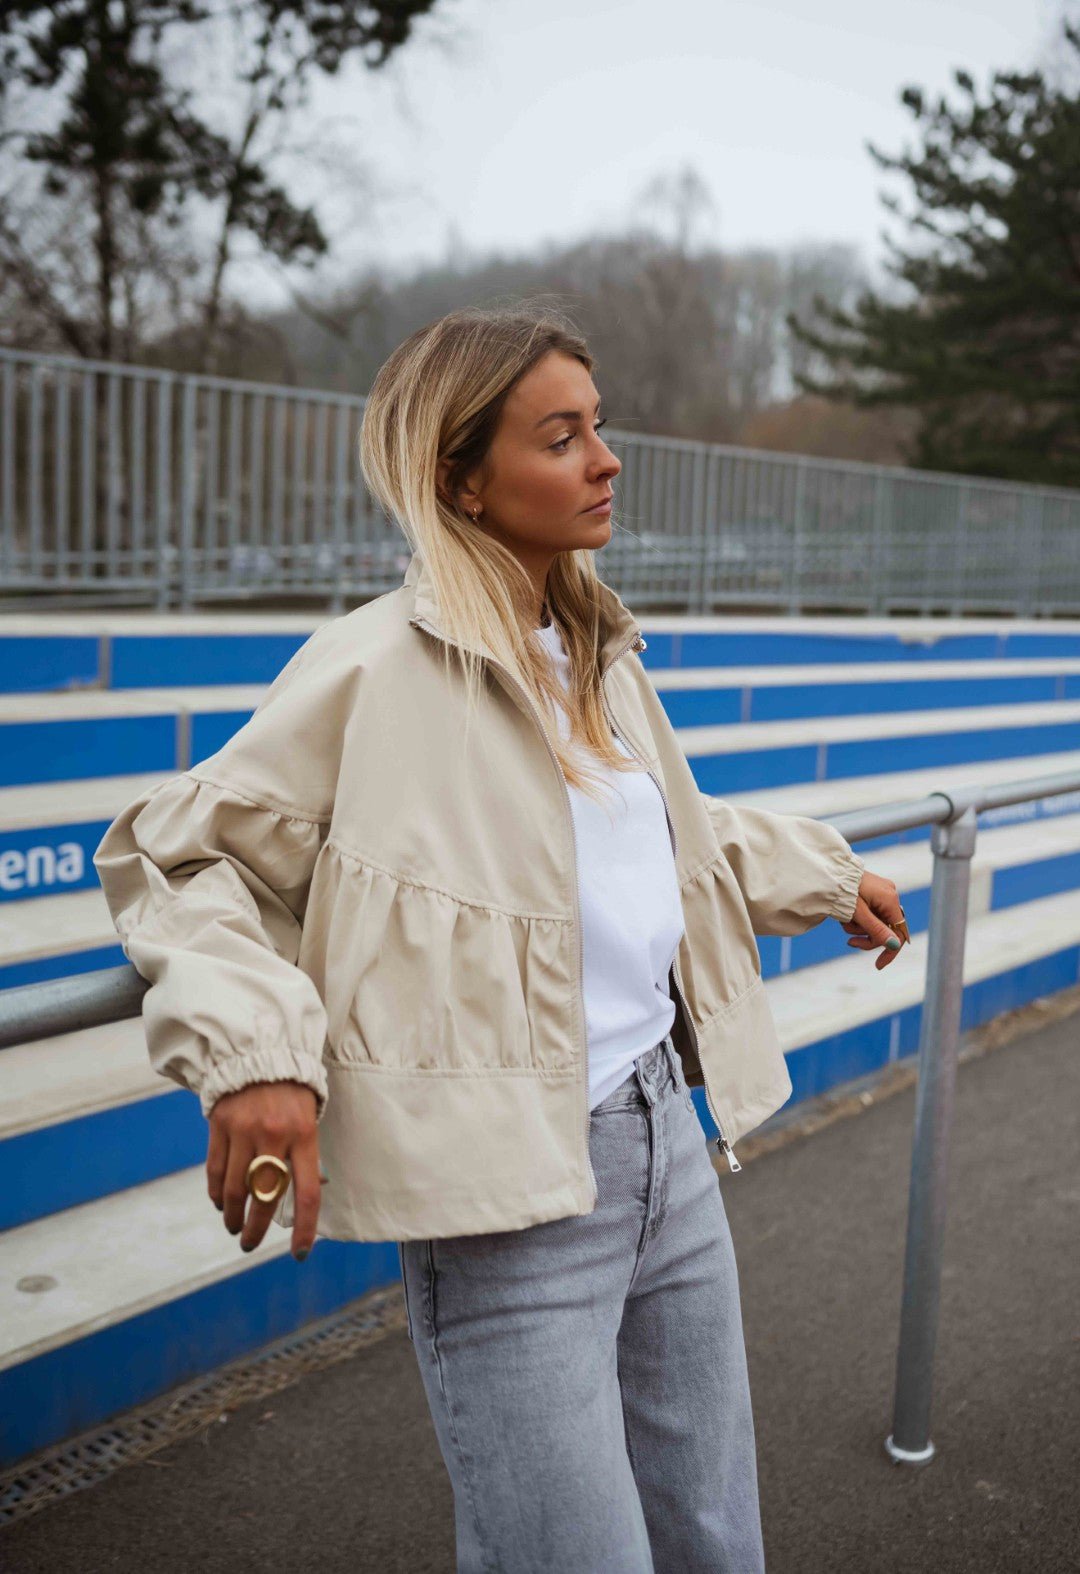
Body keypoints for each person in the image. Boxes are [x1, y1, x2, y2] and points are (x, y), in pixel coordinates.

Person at [94, 303, 908, 1572]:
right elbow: (179, 850)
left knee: (713, 1539)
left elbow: (651, 843)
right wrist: (258, 1050)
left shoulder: (595, 653)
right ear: (461, 478)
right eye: (562, 436)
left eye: (601, 427)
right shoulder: (371, 669)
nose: (606, 460)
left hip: (668, 1154)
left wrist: (820, 867)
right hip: (507, 1204)